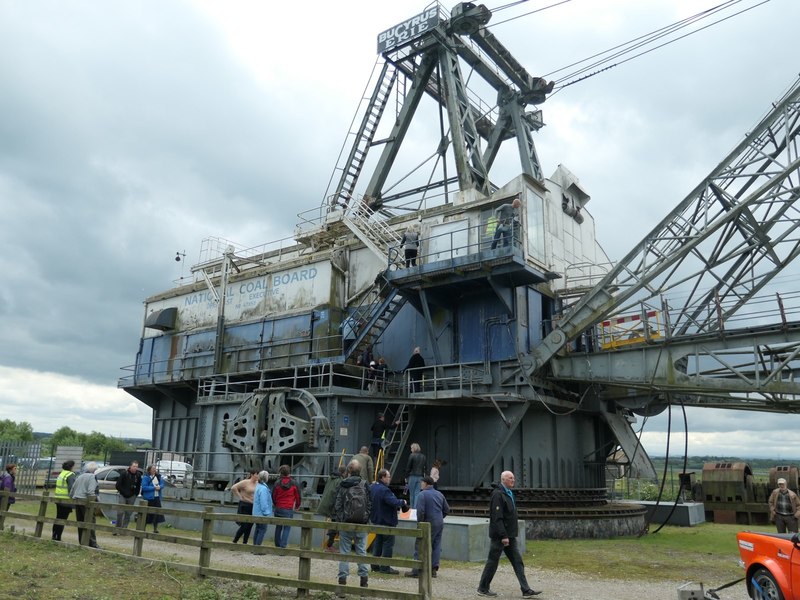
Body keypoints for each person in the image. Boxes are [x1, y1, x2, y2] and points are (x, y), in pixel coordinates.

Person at [477, 471, 541, 597]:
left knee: (518, 561)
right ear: (503, 480)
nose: (513, 480)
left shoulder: (508, 493)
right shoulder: (497, 495)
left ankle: (526, 590)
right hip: (500, 536)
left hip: (510, 535)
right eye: (510, 478)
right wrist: (503, 536)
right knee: (493, 562)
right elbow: (497, 518)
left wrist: (509, 535)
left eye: (513, 478)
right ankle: (482, 588)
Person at [334, 460, 372, 594]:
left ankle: (342, 587)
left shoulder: (343, 484)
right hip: (361, 523)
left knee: (344, 553)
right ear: (360, 471)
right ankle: (363, 586)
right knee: (361, 552)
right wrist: (366, 518)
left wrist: (342, 519)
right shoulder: (365, 484)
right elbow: (369, 503)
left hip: (346, 523)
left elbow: (338, 504)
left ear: (349, 471)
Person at [406, 476, 449, 578]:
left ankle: (416, 570)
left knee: (420, 545)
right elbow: (447, 509)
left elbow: (420, 511)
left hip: (427, 523)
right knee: (436, 545)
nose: (421, 485)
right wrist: (439, 517)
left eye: (422, 483)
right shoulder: (439, 494)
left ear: (426, 483)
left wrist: (420, 523)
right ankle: (433, 569)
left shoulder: (422, 495)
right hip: (439, 523)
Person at [370, 468, 408, 574]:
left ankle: (374, 565)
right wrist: (402, 502)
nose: (390, 479)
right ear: (383, 477)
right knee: (387, 544)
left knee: (378, 542)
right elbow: (392, 502)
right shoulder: (384, 490)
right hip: (386, 520)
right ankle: (385, 567)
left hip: (376, 519)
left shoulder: (373, 487)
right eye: (388, 477)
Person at [317, 465, 347, 552]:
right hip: (333, 506)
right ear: (344, 473)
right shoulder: (340, 481)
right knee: (334, 526)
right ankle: (330, 545)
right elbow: (337, 494)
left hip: (326, 503)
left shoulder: (331, 478)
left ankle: (329, 545)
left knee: (333, 525)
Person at [71, 461, 100, 548]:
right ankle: (92, 543)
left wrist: (73, 497)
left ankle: (82, 541)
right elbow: (91, 492)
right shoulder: (92, 477)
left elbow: (72, 489)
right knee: (90, 522)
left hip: (77, 501)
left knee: (80, 522)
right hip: (86, 503)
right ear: (95, 470)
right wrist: (95, 500)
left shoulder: (79, 476)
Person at [272, 464, 301, 548]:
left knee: (278, 527)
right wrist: (297, 506)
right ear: (289, 473)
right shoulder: (294, 483)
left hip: (278, 507)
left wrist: (275, 504)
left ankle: (277, 545)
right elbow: (298, 496)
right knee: (287, 528)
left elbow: (273, 495)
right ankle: (283, 546)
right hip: (288, 508)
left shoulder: (277, 483)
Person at [231, 470, 259, 544]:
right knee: (244, 525)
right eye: (256, 474)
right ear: (252, 474)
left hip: (253, 506)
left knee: (250, 525)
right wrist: (240, 497)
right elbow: (234, 487)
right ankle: (235, 541)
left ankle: (245, 542)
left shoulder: (258, 483)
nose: (258, 476)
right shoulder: (245, 482)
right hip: (245, 505)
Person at [52, 460, 77, 541]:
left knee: (58, 518)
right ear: (71, 467)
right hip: (66, 500)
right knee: (62, 519)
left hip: (58, 499)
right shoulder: (70, 475)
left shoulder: (62, 473)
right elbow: (71, 488)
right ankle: (58, 537)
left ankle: (54, 535)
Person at [114, 460, 142, 533]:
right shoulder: (124, 473)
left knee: (128, 513)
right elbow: (117, 485)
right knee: (120, 512)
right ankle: (117, 529)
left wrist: (135, 494)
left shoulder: (138, 475)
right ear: (130, 466)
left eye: (136, 466)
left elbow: (139, 486)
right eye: (134, 466)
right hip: (123, 495)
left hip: (132, 496)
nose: (135, 468)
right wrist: (123, 492)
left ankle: (124, 528)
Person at [141, 464, 166, 533]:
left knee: (157, 514)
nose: (154, 470)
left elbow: (162, 484)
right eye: (153, 469)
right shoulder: (146, 478)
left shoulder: (158, 477)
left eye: (155, 469)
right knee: (147, 514)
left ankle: (155, 529)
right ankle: (143, 528)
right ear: (149, 470)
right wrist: (153, 488)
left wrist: (160, 487)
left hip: (156, 497)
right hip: (149, 498)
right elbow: (144, 487)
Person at [252, 470, 273, 546]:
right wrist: (266, 513)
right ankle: (258, 548)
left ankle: (255, 546)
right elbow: (263, 502)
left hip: (256, 513)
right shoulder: (263, 488)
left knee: (257, 529)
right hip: (261, 514)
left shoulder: (258, 486)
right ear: (265, 478)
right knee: (262, 530)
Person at [405, 443, 426, 509]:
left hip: (412, 476)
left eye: (411, 448)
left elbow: (408, 467)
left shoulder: (411, 455)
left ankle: (411, 508)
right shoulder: (423, 456)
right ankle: (415, 509)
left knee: (411, 494)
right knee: (417, 493)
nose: (411, 449)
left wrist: (406, 476)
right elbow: (425, 467)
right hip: (420, 477)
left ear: (414, 448)